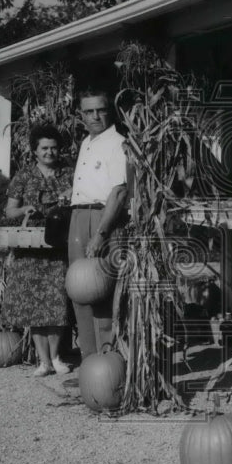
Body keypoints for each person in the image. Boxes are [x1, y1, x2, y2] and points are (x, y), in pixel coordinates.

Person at [1, 124, 74, 377]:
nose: (49, 152)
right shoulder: (23, 177)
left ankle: (56, 357)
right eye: (44, 148)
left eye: (54, 148)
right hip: (30, 249)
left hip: (58, 248)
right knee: (34, 305)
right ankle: (43, 361)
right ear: (34, 150)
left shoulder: (70, 175)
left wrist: (71, 195)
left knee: (57, 303)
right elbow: (9, 211)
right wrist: (24, 210)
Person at [68, 89, 128, 359]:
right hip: (78, 217)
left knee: (101, 289)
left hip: (102, 218)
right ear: (81, 115)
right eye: (88, 111)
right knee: (79, 290)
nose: (95, 116)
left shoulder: (117, 143)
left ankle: (107, 360)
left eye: (100, 110)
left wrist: (101, 233)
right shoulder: (86, 142)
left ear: (109, 111)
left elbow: (119, 192)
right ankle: (89, 362)